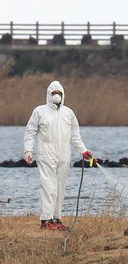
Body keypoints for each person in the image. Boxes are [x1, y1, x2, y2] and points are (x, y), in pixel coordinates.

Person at [23, 80, 96, 231]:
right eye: (54, 93)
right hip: (46, 152)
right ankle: (46, 219)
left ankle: (56, 218)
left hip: (64, 154)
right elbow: (30, 132)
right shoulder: (40, 111)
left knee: (60, 187)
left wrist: (84, 151)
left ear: (63, 95)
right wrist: (28, 150)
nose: (57, 96)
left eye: (59, 93)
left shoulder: (68, 113)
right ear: (49, 95)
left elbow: (75, 135)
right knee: (48, 186)